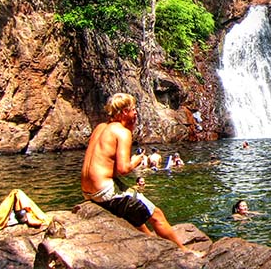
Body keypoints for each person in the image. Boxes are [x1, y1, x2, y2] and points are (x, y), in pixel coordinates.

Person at [80, 93, 191, 252]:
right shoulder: (122, 132)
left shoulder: (100, 127)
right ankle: (185, 252)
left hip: (87, 191)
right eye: (133, 109)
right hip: (104, 191)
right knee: (156, 214)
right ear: (124, 112)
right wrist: (136, 160)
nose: (136, 112)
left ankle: (151, 241)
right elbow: (123, 169)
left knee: (135, 209)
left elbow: (104, 162)